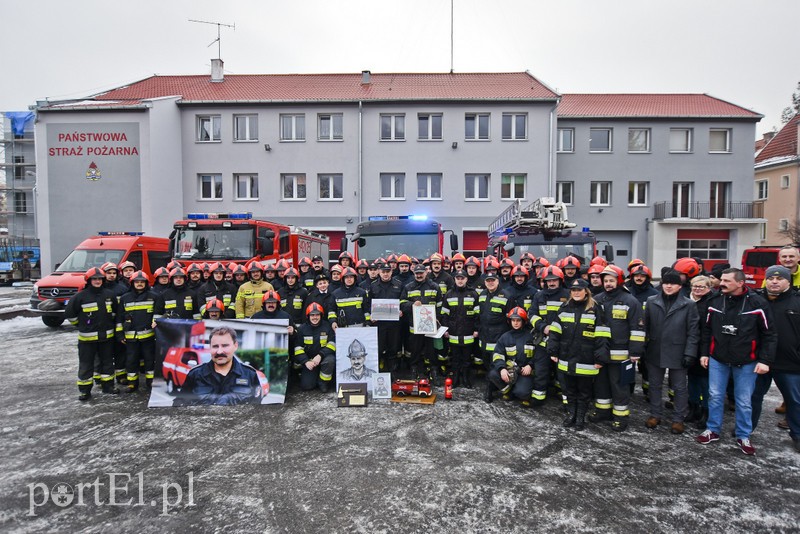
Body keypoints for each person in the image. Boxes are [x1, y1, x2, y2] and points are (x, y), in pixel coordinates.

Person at [696, 268, 776, 455]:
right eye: (721, 280)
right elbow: (706, 330)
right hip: (718, 358)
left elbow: (770, 334)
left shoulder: (757, 303)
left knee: (744, 400)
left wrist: (765, 360)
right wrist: (704, 353)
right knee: (715, 396)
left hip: (746, 361)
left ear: (740, 283)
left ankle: (743, 435)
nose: (721, 283)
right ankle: (712, 430)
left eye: (727, 281)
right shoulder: (714, 301)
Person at [547, 278, 611, 431]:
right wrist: (553, 350)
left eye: (579, 290)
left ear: (586, 291)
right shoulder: (564, 307)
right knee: (569, 389)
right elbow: (555, 331)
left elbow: (602, 335)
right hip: (566, 356)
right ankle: (571, 415)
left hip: (586, 358)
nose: (576, 293)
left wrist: (600, 357)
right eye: (574, 290)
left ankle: (580, 417)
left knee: (584, 391)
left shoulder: (595, 308)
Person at [642, 270, 699, 434]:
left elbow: (693, 332)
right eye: (665, 283)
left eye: (672, 283)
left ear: (680, 286)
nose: (668, 286)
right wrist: (643, 347)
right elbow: (645, 327)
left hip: (678, 351)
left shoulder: (689, 304)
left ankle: (678, 419)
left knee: (680, 388)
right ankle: (655, 414)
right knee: (654, 385)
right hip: (655, 350)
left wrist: (690, 353)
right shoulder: (652, 301)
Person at [589, 265, 645, 432]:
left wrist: (635, 352)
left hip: (621, 354)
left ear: (619, 281)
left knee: (619, 386)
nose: (608, 284)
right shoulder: (597, 299)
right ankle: (602, 411)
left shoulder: (631, 301)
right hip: (600, 352)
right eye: (605, 281)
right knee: (601, 384)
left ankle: (620, 417)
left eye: (611, 281)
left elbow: (637, 329)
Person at [759, 265, 800, 453]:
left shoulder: (797, 300)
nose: (774, 281)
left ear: (788, 281)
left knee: (794, 400)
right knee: (752, 397)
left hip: (789, 361)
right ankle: (745, 430)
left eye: (779, 279)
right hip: (760, 360)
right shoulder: (757, 299)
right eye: (771, 278)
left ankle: (797, 434)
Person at [65, 267, 119, 400]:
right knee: (86, 364)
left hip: (106, 337)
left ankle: (108, 386)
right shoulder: (80, 296)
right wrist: (81, 325)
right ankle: (84, 390)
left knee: (107, 363)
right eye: (94, 279)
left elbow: (114, 313)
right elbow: (70, 314)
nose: (97, 281)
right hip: (87, 339)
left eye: (99, 279)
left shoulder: (109, 294)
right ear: (89, 280)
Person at [180, 327, 261, 405]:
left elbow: (256, 410)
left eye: (225, 346)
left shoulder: (250, 375)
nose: (219, 352)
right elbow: (179, 405)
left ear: (235, 346)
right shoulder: (195, 375)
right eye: (215, 346)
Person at [117, 270, 161, 392]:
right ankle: (132, 382)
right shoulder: (125, 298)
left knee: (149, 359)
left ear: (146, 283)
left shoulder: (154, 297)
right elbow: (119, 317)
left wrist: (156, 321)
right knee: (131, 360)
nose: (140, 284)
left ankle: (150, 381)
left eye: (142, 282)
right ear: (132, 283)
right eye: (137, 282)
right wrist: (120, 335)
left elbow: (158, 313)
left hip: (148, 336)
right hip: (131, 337)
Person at [486, 307, 538, 405]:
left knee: (522, 393)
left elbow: (538, 355)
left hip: (524, 372)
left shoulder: (531, 337)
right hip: (509, 371)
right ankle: (508, 392)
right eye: (513, 320)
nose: (515, 323)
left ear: (523, 321)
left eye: (518, 320)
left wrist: (530, 365)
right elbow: (497, 354)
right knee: (493, 374)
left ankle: (517, 390)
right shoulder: (505, 337)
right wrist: (502, 369)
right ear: (509, 322)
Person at [400, 264, 442, 380]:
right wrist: (411, 304)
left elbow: (439, 305)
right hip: (415, 325)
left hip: (430, 325)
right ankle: (414, 370)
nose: (419, 275)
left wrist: (438, 318)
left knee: (431, 350)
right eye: (417, 273)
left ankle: (433, 371)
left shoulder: (434, 287)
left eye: (421, 273)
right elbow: (402, 303)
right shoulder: (408, 287)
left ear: (426, 272)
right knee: (415, 350)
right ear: (414, 274)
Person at [441, 269, 480, 388]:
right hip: (453, 332)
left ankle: (466, 378)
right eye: (458, 278)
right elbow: (444, 315)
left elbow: (477, 315)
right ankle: (456, 378)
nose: (460, 280)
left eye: (462, 278)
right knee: (455, 358)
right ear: (455, 279)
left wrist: (476, 329)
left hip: (468, 332)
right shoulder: (449, 294)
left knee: (467, 359)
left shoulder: (473, 294)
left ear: (466, 279)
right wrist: (445, 330)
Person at [686, 275, 714, 429]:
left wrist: (706, 352)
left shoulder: (711, 303)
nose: (698, 289)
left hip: (705, 349)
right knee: (692, 381)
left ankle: (705, 412)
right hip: (689, 348)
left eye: (702, 287)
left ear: (709, 288)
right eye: (695, 286)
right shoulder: (686, 301)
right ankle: (693, 408)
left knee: (705, 383)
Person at [293, 303, 337, 391]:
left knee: (330, 360)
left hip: (324, 357)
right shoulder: (302, 329)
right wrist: (306, 362)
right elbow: (298, 348)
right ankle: (314, 376)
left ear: (321, 315)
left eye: (317, 315)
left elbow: (332, 344)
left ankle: (323, 382)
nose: (315, 317)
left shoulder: (327, 327)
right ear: (308, 316)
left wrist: (320, 355)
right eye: (312, 315)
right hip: (310, 361)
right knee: (307, 386)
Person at [369, 263, 404, 372]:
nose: (385, 274)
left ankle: (392, 371)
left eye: (387, 272)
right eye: (383, 272)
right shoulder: (373, 285)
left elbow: (403, 300)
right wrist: (370, 315)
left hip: (394, 323)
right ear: (379, 272)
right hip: (379, 323)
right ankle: (379, 369)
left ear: (391, 272)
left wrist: (401, 310)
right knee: (379, 347)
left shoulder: (399, 284)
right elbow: (368, 303)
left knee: (393, 347)